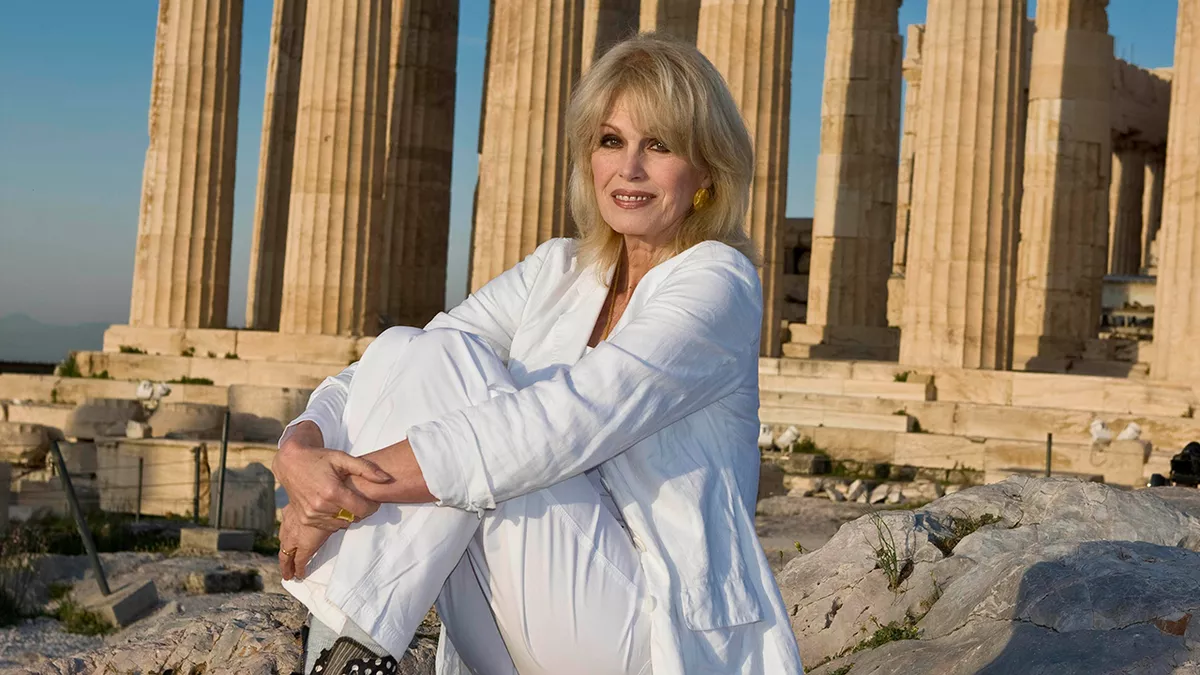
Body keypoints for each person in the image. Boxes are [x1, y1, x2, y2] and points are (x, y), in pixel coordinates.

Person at [272, 33, 806, 675]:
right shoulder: (559, 269)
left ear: (707, 172)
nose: (629, 168)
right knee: (420, 349)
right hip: (522, 616)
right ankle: (347, 652)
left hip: (648, 629)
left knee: (483, 417)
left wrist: (344, 491)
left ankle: (343, 651)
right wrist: (300, 454)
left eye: (658, 145)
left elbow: (567, 422)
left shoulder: (716, 282)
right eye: (611, 141)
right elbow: (383, 372)